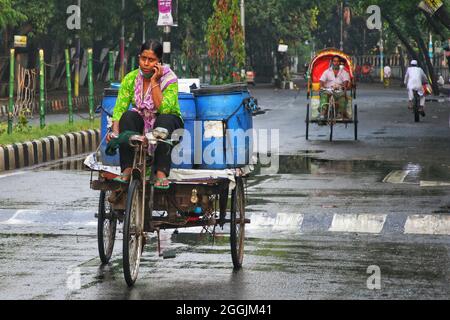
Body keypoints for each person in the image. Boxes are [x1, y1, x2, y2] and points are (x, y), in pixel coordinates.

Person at [107, 40, 183, 189]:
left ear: (159, 61)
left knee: (164, 120)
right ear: (139, 58)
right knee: (127, 116)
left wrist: (155, 80)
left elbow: (164, 109)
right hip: (142, 121)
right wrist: (115, 133)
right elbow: (119, 109)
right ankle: (127, 169)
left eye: (151, 60)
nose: (146, 63)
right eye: (143, 58)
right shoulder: (130, 78)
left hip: (167, 123)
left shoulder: (169, 79)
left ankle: (161, 174)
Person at [319, 55, 351, 120]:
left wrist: (343, 87)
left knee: (342, 97)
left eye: (337, 61)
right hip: (328, 90)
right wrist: (322, 86)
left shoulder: (344, 72)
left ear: (339, 62)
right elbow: (321, 81)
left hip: (339, 90)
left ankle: (340, 113)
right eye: (334, 61)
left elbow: (346, 82)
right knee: (324, 95)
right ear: (332, 62)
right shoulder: (327, 71)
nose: (336, 63)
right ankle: (323, 112)